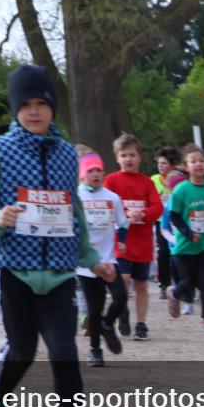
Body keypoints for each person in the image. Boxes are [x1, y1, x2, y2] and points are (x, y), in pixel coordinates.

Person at [0, 64, 115, 407]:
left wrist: (92, 260)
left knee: (65, 354)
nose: (34, 112)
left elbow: (74, 211)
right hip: (15, 273)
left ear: (52, 108)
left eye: (42, 104)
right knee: (23, 351)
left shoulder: (67, 155)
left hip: (61, 276)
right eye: (26, 105)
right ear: (16, 109)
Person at [104, 133, 164, 341]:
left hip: (143, 242)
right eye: (124, 155)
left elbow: (158, 207)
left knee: (141, 285)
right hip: (120, 242)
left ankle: (141, 323)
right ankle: (122, 310)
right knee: (124, 278)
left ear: (140, 158)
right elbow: (105, 204)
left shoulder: (147, 182)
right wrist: (123, 214)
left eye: (132, 155)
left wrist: (143, 214)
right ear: (117, 158)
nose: (128, 159)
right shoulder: (111, 180)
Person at [76, 148, 129, 367]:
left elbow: (123, 222)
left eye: (99, 170)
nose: (96, 174)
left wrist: (122, 240)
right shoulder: (76, 196)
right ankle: (95, 350)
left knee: (121, 297)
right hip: (86, 264)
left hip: (108, 259)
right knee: (94, 308)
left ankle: (107, 324)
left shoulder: (112, 197)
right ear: (82, 174)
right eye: (91, 170)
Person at [167, 144, 204, 331]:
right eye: (193, 161)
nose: (198, 164)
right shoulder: (181, 190)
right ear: (186, 166)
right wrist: (188, 234)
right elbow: (173, 216)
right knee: (189, 281)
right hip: (185, 245)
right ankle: (174, 293)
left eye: (202, 161)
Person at [151, 146, 181, 300]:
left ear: (173, 165)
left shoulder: (179, 179)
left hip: (177, 221)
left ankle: (180, 283)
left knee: (177, 252)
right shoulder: (154, 180)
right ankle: (164, 284)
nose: (161, 166)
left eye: (164, 163)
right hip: (160, 221)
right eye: (159, 163)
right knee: (163, 252)